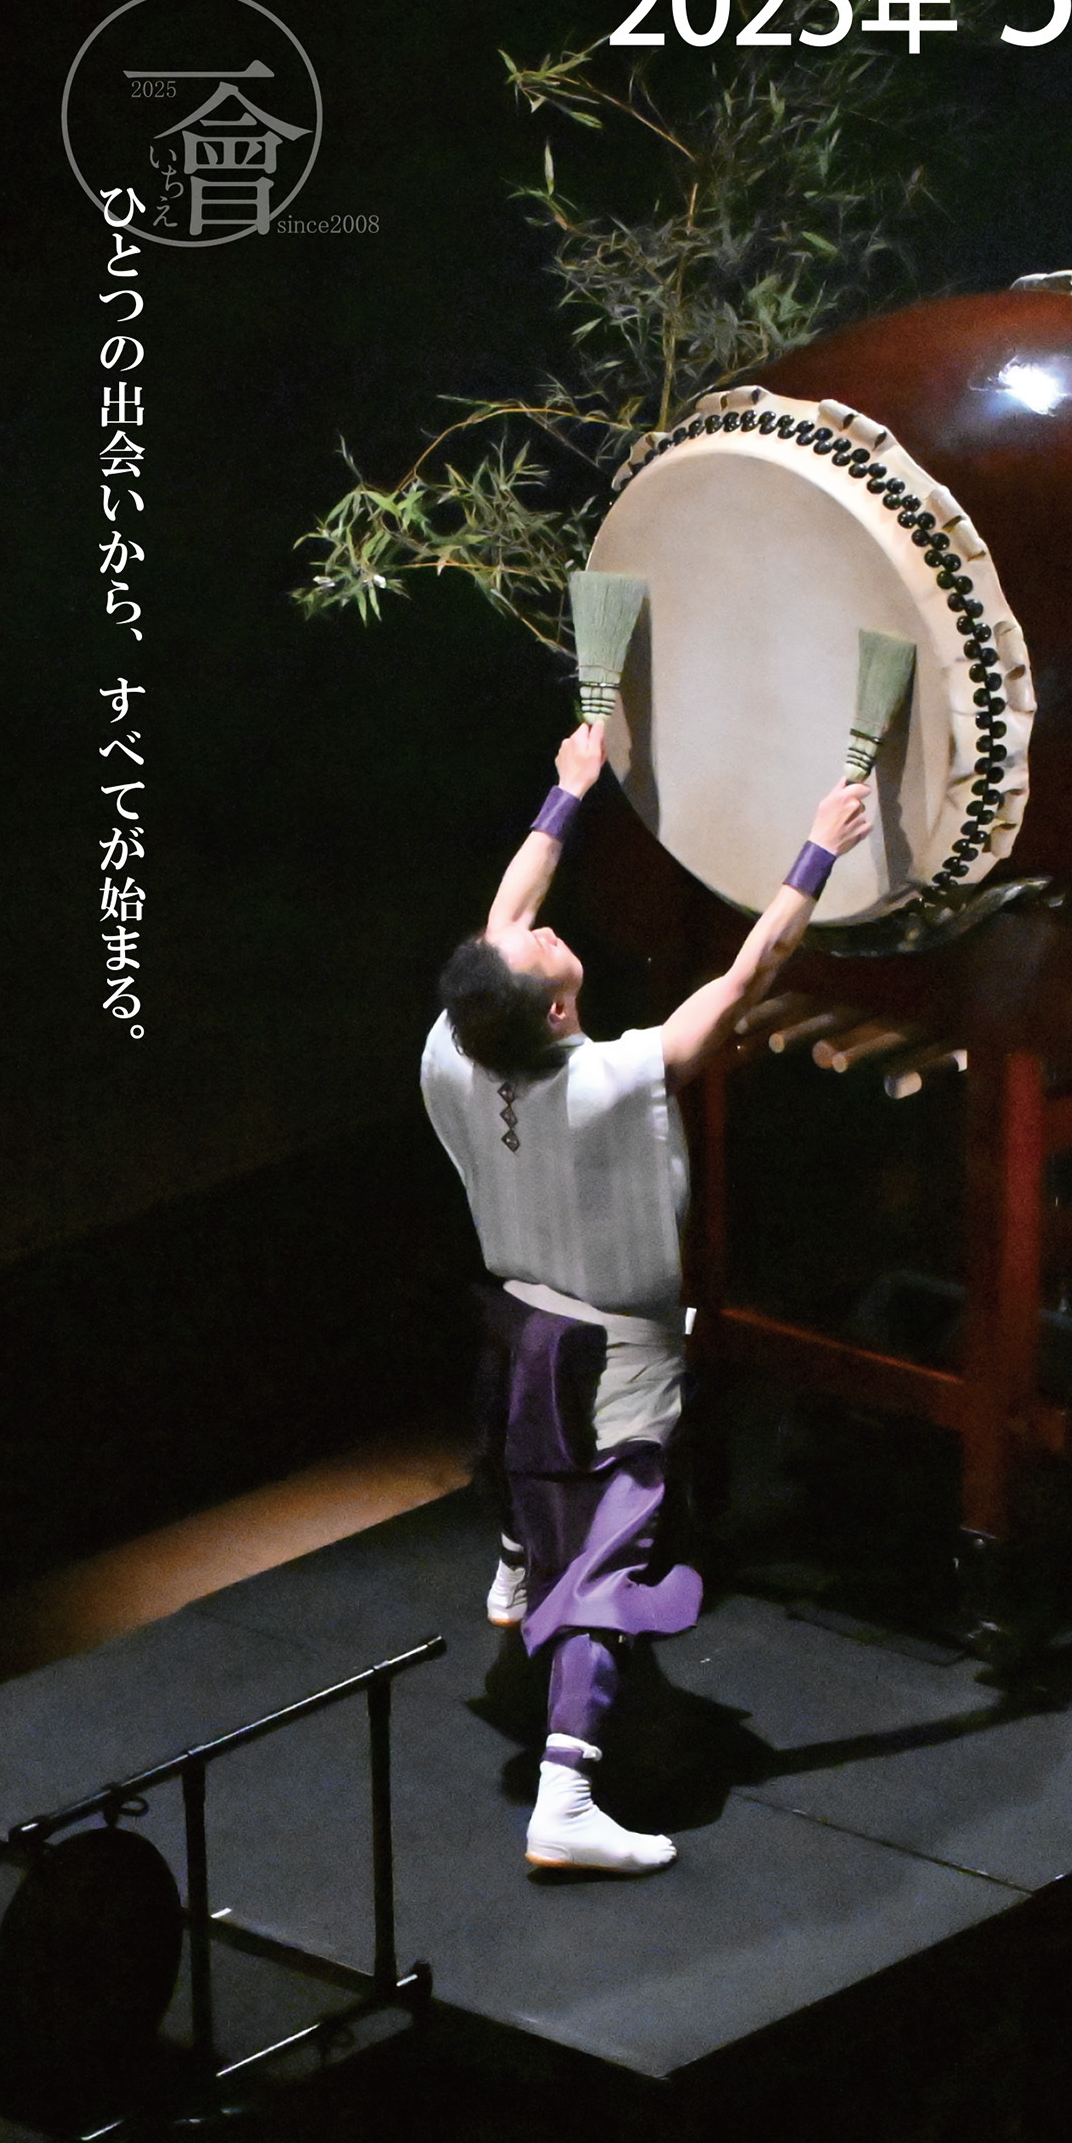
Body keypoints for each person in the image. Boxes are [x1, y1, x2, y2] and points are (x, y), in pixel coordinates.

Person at [422, 723, 870, 1877]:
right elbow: (749, 976)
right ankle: (565, 1800)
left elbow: (504, 916)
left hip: (519, 1325)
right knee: (607, 1573)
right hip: (613, 1356)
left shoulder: (453, 1050)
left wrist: (567, 791)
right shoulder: (614, 1082)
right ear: (553, 1013)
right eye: (536, 950)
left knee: (522, 1475)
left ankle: (514, 1563)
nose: (536, 930)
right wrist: (819, 850)